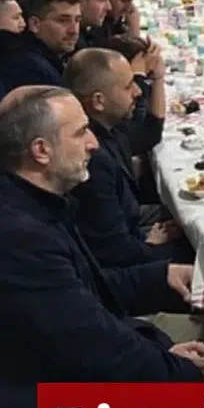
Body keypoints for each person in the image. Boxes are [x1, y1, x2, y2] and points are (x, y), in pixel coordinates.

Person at [0, 85, 204, 408]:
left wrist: (160, 275)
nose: (94, 143)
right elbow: (94, 345)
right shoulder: (21, 235)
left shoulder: (34, 204)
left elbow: (85, 291)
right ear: (41, 151)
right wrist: (177, 369)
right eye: (81, 133)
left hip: (65, 372)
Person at [64, 48, 190, 267]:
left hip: (132, 225)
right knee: (200, 249)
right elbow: (113, 250)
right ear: (99, 101)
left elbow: (149, 133)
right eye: (129, 85)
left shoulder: (111, 127)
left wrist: (157, 79)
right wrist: (149, 244)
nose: (138, 91)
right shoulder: (93, 159)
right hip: (123, 260)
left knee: (192, 214)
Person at [0, 0, 81, 97]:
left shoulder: (51, 63)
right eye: (62, 21)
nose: (74, 30)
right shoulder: (32, 69)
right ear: (35, 24)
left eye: (77, 20)